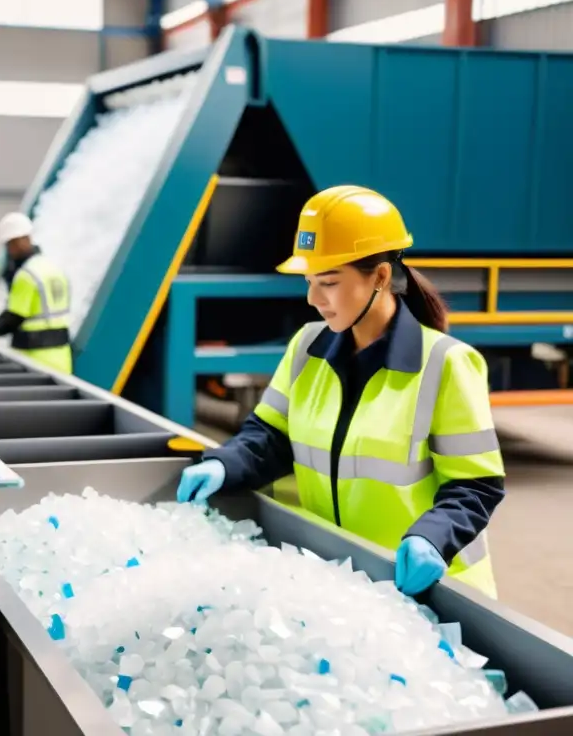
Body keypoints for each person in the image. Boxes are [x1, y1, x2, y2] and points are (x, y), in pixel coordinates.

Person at [176, 185, 505, 599]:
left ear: (381, 277)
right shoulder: (305, 348)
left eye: (328, 282)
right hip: (339, 585)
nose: (314, 299)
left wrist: (432, 538)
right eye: (310, 281)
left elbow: (476, 486)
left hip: (428, 590)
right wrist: (225, 464)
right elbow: (270, 438)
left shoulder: (446, 364)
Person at [0, 212, 73, 375]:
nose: (10, 251)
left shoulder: (27, 275)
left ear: (16, 242)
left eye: (9, 245)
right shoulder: (54, 269)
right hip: (61, 359)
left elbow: (13, 317)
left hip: (35, 361)